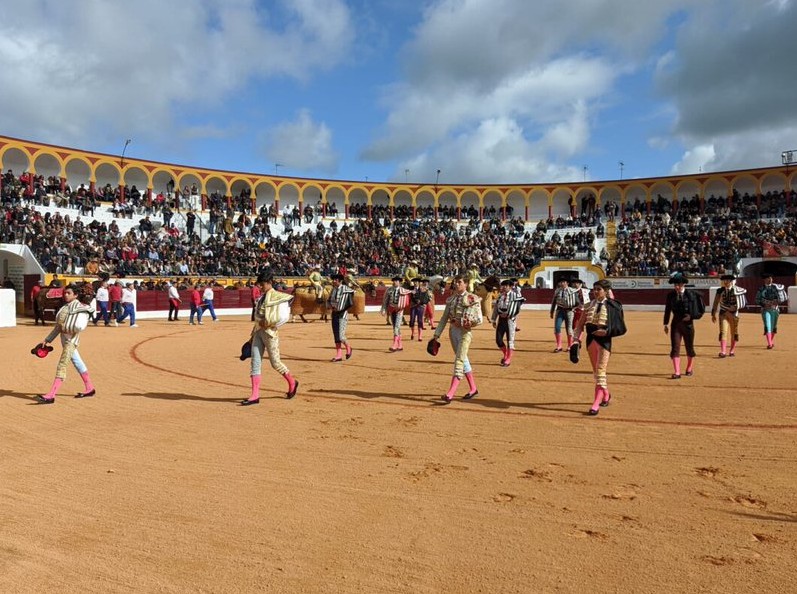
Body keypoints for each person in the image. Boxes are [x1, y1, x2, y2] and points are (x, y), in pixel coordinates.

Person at [241, 270, 299, 405]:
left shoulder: (278, 297)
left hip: (270, 333)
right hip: (258, 332)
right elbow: (257, 319)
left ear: (269, 283)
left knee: (275, 363)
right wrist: (252, 334)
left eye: (262, 285)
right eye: (259, 285)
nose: (260, 287)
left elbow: (283, 317)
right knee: (255, 362)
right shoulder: (262, 298)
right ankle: (255, 395)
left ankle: (292, 382)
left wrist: (267, 323)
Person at [34, 283, 96, 404]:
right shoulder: (65, 307)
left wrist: (66, 328)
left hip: (71, 341)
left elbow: (79, 326)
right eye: (65, 293)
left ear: (76, 295)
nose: (66, 295)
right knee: (78, 362)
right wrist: (47, 340)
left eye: (69, 293)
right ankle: (90, 388)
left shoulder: (80, 308)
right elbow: (58, 327)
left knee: (62, 365)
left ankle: (51, 395)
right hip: (65, 340)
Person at [573, 280, 625, 415]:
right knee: (597, 373)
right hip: (591, 341)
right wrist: (575, 341)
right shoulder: (588, 305)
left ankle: (595, 404)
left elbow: (621, 328)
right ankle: (606, 394)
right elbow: (579, 326)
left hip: (605, 341)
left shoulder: (613, 306)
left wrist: (607, 332)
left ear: (606, 291)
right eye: (594, 289)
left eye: (598, 289)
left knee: (601, 371)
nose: (595, 292)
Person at [433, 275, 483, 403]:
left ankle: (450, 393)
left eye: (459, 282)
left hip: (465, 333)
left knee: (459, 360)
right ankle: (473, 388)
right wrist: (436, 335)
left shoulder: (472, 298)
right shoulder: (451, 299)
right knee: (463, 359)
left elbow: (479, 320)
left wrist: (461, 321)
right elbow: (444, 318)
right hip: (453, 333)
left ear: (466, 284)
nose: (456, 284)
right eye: (455, 282)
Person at [663, 272, 705, 379]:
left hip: (688, 325)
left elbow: (700, 311)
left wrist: (691, 317)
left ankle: (689, 368)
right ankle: (677, 372)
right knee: (675, 348)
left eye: (678, 284)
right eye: (675, 285)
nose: (676, 287)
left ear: (683, 284)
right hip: (676, 324)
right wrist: (665, 323)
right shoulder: (671, 295)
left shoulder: (691, 295)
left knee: (689, 348)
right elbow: (667, 310)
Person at [711, 274, 746, 357]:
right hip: (723, 313)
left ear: (731, 281)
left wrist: (734, 308)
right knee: (723, 332)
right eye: (724, 281)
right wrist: (713, 314)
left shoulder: (737, 290)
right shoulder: (720, 291)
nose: (726, 282)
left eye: (728, 281)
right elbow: (716, 302)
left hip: (734, 314)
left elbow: (742, 303)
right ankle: (723, 351)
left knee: (734, 333)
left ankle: (732, 350)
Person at [491, 279, 525, 366]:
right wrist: (494, 319)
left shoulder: (515, 295)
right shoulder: (500, 296)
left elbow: (518, 307)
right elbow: (495, 309)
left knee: (510, 340)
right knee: (498, 340)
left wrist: (512, 314)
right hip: (501, 320)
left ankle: (508, 359)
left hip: (510, 320)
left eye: (506, 286)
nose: (504, 287)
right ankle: (506, 354)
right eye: (503, 285)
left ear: (510, 287)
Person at [327, 273, 354, 362]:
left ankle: (348, 347)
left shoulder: (347, 289)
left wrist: (340, 309)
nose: (333, 281)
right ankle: (338, 355)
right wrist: (330, 307)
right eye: (333, 279)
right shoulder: (333, 289)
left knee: (341, 336)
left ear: (340, 281)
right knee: (336, 336)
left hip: (342, 314)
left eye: (335, 280)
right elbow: (328, 300)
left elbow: (350, 303)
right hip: (334, 313)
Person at [755, 272, 787, 349]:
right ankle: (769, 343)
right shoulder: (761, 289)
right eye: (768, 278)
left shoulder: (776, 287)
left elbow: (783, 297)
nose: (770, 280)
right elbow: (757, 300)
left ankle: (770, 341)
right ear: (764, 280)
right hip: (765, 310)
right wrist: (764, 305)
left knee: (773, 327)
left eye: (771, 278)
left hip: (775, 310)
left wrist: (778, 302)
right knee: (768, 325)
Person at [381, 275, 412, 352]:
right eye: (394, 281)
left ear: (399, 282)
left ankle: (395, 344)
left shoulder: (403, 290)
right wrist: (384, 309)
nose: (395, 282)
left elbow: (412, 293)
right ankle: (400, 345)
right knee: (395, 327)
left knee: (396, 327)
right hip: (392, 310)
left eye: (396, 281)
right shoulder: (389, 290)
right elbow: (386, 300)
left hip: (399, 310)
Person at [550, 277, 578, 352]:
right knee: (557, 327)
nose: (562, 283)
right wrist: (552, 311)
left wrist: (573, 308)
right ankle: (559, 346)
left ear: (567, 283)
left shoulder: (572, 291)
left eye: (563, 282)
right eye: (561, 282)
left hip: (569, 311)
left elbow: (577, 302)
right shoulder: (557, 291)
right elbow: (554, 302)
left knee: (568, 328)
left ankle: (570, 345)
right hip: (559, 310)